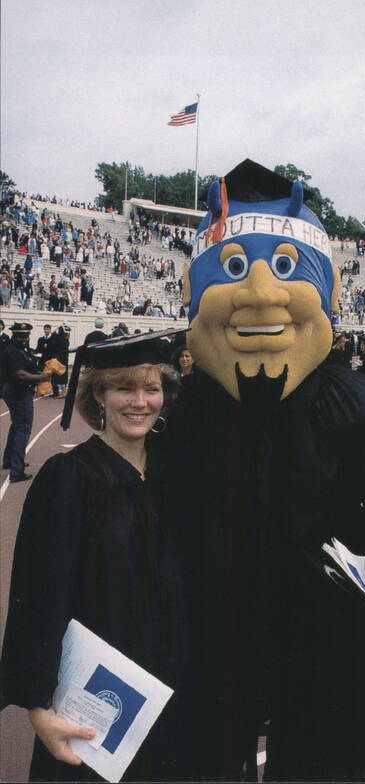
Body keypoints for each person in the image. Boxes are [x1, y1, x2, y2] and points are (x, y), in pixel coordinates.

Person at [161, 159, 365, 780]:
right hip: (215, 618)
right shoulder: (185, 412)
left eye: (285, 269)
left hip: (320, 622)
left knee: (317, 747)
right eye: (234, 269)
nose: (261, 293)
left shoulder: (356, 404)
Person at [0, 330, 190, 781]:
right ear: (98, 396)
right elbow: (38, 596)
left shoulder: (170, 474)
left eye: (151, 388)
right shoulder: (68, 477)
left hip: (164, 691)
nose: (139, 401)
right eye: (124, 387)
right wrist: (38, 706)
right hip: (93, 699)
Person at [2, 323, 51, 481]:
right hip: (18, 392)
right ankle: (17, 471)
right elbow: (20, 375)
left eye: (27, 336)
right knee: (23, 428)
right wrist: (41, 377)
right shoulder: (13, 352)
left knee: (17, 426)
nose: (25, 339)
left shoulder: (23, 351)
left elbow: (29, 368)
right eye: (21, 336)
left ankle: (10, 461)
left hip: (19, 391)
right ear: (14, 336)